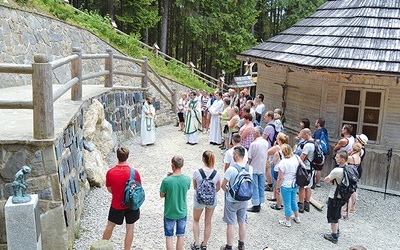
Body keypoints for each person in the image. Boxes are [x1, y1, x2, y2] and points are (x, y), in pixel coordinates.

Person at [102, 146, 142, 250]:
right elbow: (138, 189)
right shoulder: (134, 172)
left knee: (110, 226)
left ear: (117, 156)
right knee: (130, 228)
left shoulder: (110, 172)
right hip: (131, 204)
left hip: (116, 204)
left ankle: (102, 246)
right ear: (127, 157)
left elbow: (110, 189)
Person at [221, 146, 253, 250]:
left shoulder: (231, 169)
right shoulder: (250, 168)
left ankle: (229, 246)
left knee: (230, 223)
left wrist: (228, 192)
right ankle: (241, 245)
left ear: (235, 155)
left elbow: (223, 185)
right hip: (244, 199)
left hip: (232, 199)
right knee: (242, 221)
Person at [191, 151, 221, 250]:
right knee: (208, 222)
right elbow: (218, 188)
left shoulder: (197, 172)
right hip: (211, 200)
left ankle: (196, 243)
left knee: (196, 220)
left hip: (199, 199)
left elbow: (195, 187)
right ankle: (204, 244)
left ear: (203, 159)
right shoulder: (216, 174)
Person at [160, 156, 191, 250]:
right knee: (180, 235)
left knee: (169, 236)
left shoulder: (166, 181)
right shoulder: (187, 179)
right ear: (182, 165)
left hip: (170, 212)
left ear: (172, 165)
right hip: (182, 211)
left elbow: (162, 195)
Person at [323, 151, 349, 244]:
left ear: (342, 159)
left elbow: (326, 179)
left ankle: (334, 236)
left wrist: (333, 182)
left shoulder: (337, 170)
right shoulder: (350, 169)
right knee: (338, 214)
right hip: (343, 196)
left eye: (337, 157)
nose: (335, 158)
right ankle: (337, 230)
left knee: (333, 216)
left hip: (335, 195)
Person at [275, 144, 301, 227]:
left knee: (287, 203)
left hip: (286, 184)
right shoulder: (296, 158)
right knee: (293, 200)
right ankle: (297, 217)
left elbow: (280, 177)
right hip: (295, 183)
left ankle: (287, 221)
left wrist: (278, 187)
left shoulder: (283, 162)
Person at [247, 126, 269, 213]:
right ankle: (260, 201)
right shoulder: (265, 142)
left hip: (254, 167)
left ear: (257, 133)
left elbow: (249, 157)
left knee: (255, 186)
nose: (252, 134)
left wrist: (247, 165)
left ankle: (256, 204)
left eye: (254, 132)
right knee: (261, 185)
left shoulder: (253, 144)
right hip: (262, 167)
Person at [267, 132, 290, 210]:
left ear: (279, 140)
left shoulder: (278, 151)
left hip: (277, 169)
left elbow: (273, 163)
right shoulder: (287, 149)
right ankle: (280, 201)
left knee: (277, 187)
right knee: (281, 186)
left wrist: (270, 162)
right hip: (285, 169)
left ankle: (278, 204)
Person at [298, 128, 315, 213]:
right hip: (313, 168)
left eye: (303, 135)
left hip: (306, 168)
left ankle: (301, 205)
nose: (302, 137)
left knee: (302, 187)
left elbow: (302, 157)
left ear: (307, 135)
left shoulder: (308, 145)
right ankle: (307, 204)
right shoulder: (316, 142)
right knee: (308, 187)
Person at [313, 118, 328, 187]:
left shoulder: (318, 132)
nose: (315, 123)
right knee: (320, 167)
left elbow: (316, 142)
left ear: (318, 124)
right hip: (324, 151)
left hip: (319, 151)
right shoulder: (324, 130)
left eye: (316, 122)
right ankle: (317, 182)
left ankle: (317, 182)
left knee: (317, 168)